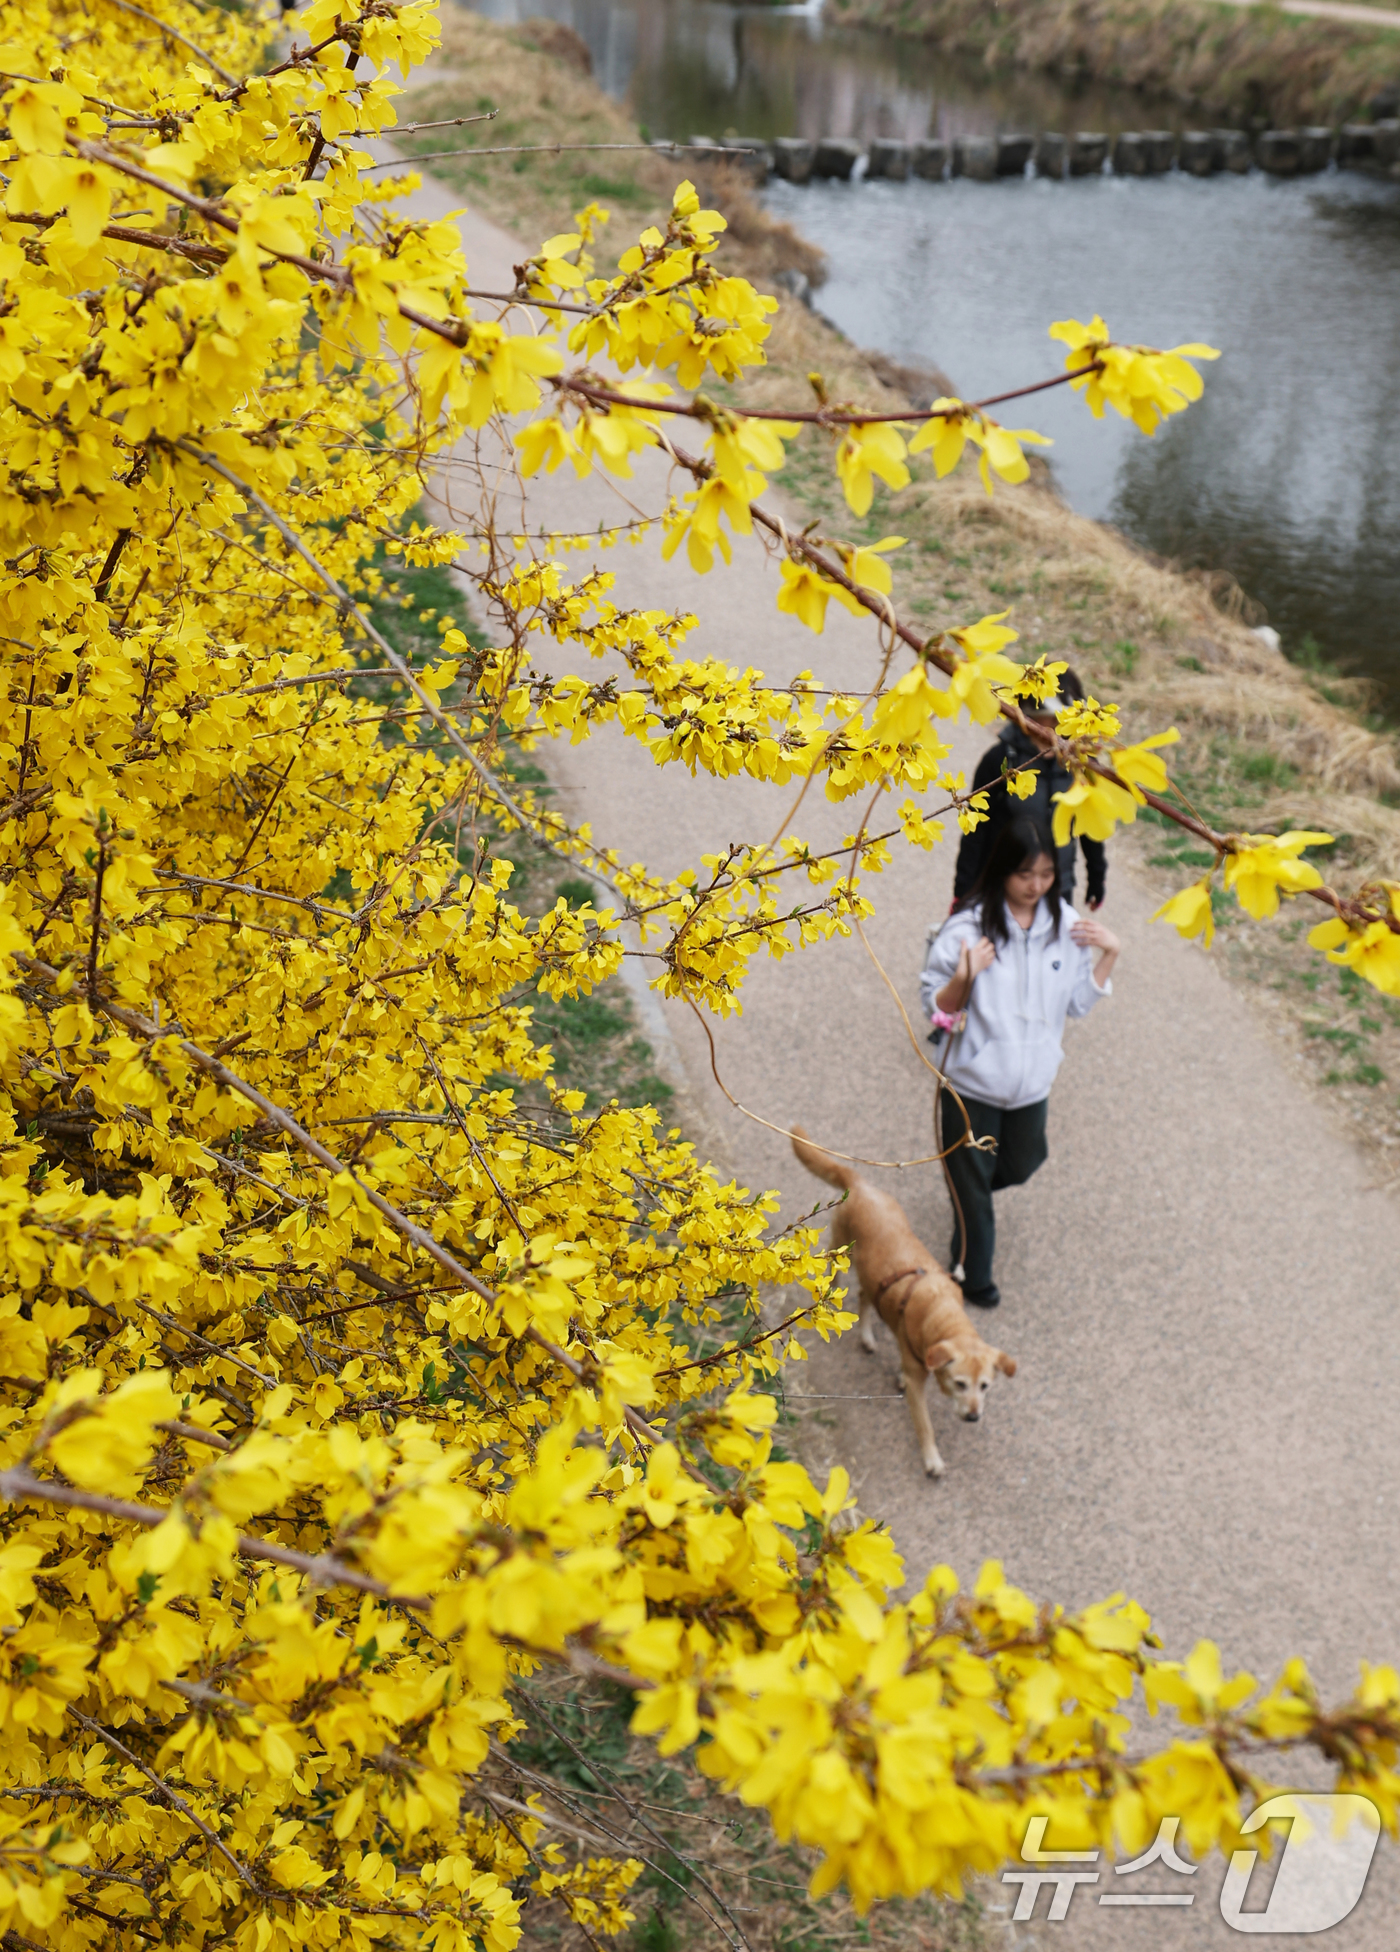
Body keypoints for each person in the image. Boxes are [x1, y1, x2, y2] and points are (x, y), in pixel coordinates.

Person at [920, 815, 1119, 1308]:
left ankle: (970, 1192)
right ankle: (973, 1278)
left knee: (1024, 1163)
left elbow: (1075, 1004)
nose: (1035, 886)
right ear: (1002, 871)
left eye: (1046, 875)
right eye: (1024, 874)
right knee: (974, 1198)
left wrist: (1109, 956)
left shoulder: (1069, 928)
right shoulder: (967, 928)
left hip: (1032, 1085)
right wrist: (965, 976)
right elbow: (937, 1010)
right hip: (972, 1085)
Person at [952, 668, 1106, 910]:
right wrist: (962, 894)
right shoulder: (1000, 761)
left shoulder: (1081, 767)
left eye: (1062, 721)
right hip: (1003, 890)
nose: (1055, 729)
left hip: (1056, 889)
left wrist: (1097, 877)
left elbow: (1090, 823)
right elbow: (975, 833)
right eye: (1048, 717)